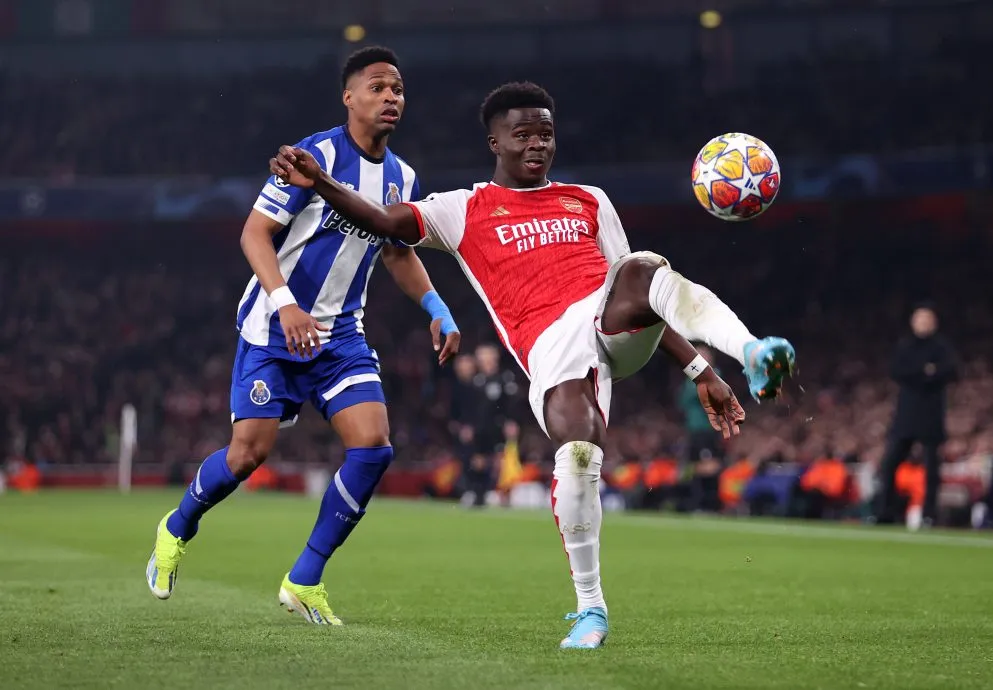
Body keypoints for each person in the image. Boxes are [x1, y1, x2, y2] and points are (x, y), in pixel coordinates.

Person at [270, 81, 796, 648]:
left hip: (606, 316)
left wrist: (703, 371)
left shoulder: (589, 199)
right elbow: (386, 222)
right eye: (522, 135)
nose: (537, 144)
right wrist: (322, 183)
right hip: (549, 346)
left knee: (644, 266)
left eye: (545, 133)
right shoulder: (462, 209)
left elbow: (647, 295)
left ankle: (752, 352)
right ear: (494, 141)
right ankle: (591, 609)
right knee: (578, 454)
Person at [146, 47, 462, 626]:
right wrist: (286, 304)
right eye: (377, 87)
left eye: (398, 88)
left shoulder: (403, 178)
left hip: (340, 334)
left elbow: (396, 252)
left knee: (374, 447)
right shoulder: (313, 155)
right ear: (349, 97)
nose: (391, 97)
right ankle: (177, 526)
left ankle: (305, 577)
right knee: (247, 457)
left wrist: (437, 306)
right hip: (273, 328)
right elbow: (254, 234)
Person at [874, 305, 957, 527]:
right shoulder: (905, 346)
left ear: (934, 322)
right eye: (920, 319)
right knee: (890, 463)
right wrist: (926, 372)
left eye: (927, 319)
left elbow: (950, 371)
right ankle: (885, 511)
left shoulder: (942, 347)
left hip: (931, 414)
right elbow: (898, 371)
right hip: (907, 414)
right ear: (913, 322)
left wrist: (922, 373)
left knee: (931, 468)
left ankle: (929, 514)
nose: (923, 324)